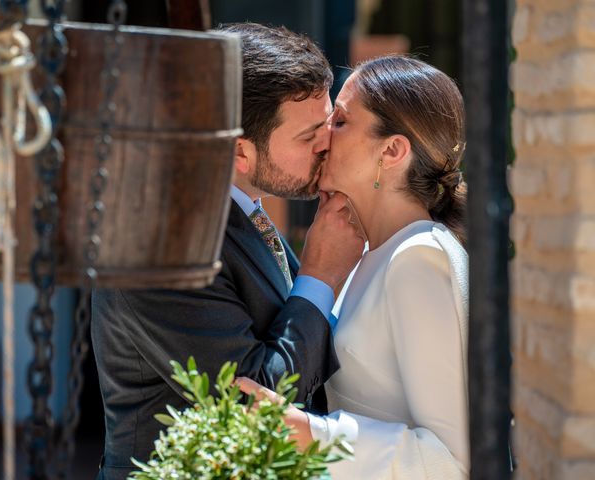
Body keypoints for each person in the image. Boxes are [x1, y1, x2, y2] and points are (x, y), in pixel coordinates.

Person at [91, 23, 365, 479]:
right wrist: (320, 274)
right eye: (308, 135)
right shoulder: (161, 245)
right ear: (239, 152)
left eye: (329, 121)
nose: (327, 143)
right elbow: (253, 399)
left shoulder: (232, 213)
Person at [238, 55, 470, 479]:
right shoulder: (374, 255)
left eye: (341, 121)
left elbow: (454, 459)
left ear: (392, 150)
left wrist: (312, 434)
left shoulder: (419, 259)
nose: (323, 136)